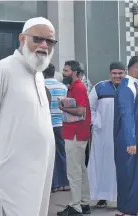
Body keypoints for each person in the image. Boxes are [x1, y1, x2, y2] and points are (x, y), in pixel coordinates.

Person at [0, 17, 55, 216]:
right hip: (9, 177)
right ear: (22, 39)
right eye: (38, 39)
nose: (44, 45)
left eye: (49, 41)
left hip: (38, 174)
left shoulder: (39, 75)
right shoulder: (3, 70)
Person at [88, 62, 125, 208]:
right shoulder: (100, 87)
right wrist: (96, 123)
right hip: (102, 134)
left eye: (120, 73)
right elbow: (89, 107)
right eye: (114, 73)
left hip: (123, 134)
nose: (117, 76)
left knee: (122, 166)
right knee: (102, 165)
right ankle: (101, 197)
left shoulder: (130, 87)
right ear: (110, 73)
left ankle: (122, 198)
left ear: (125, 72)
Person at [58, 60, 92, 216]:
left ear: (76, 73)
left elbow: (80, 111)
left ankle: (75, 206)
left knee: (74, 172)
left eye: (66, 71)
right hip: (78, 133)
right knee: (80, 170)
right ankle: (84, 203)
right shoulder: (75, 87)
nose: (64, 73)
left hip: (75, 134)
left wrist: (62, 107)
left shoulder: (77, 87)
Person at [113, 56, 138, 216]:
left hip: (132, 136)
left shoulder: (133, 84)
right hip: (128, 138)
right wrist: (130, 141)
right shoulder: (127, 86)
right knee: (127, 175)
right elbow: (126, 114)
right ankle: (126, 209)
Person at [43, 63, 70, 193]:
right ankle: (65, 183)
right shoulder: (63, 87)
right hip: (61, 124)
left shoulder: (41, 85)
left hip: (47, 124)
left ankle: (53, 184)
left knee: (48, 155)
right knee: (62, 153)